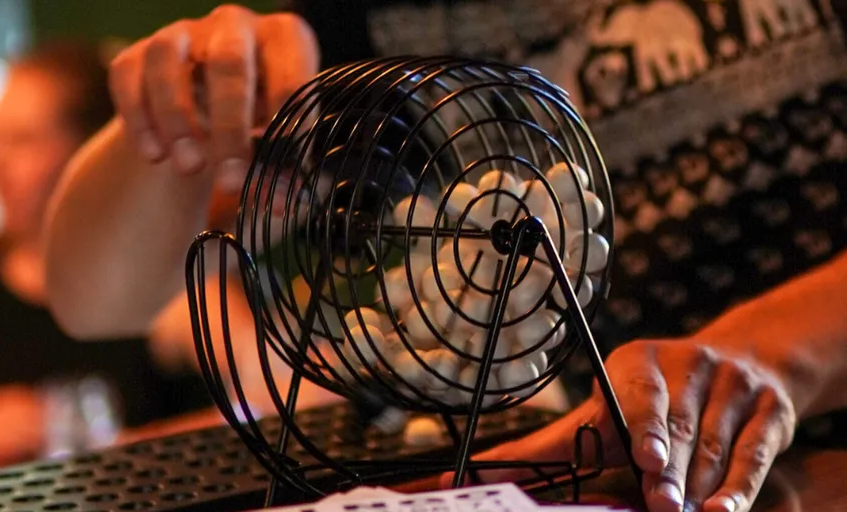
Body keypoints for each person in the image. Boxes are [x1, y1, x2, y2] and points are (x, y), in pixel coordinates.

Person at [43, 3, 847, 511]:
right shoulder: (369, 26)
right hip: (528, 483)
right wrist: (175, 108)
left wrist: (759, 359)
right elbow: (92, 300)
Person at [0, 40, 217, 478]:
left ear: (88, 157)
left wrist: (98, 444)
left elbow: (270, 412)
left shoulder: (165, 280)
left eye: (22, 141)